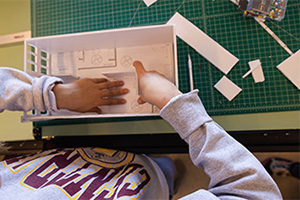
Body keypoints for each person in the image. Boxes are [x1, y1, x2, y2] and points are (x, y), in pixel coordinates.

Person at [0, 62, 282, 200]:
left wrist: (54, 95)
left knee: (161, 170)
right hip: (146, 190)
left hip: (115, 164)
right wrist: (176, 105)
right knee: (161, 181)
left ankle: (166, 173)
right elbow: (254, 194)